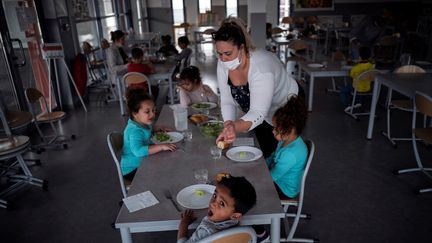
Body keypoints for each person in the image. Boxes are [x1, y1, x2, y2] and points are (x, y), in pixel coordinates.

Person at [213, 17, 299, 158]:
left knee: (277, 154)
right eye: (219, 53)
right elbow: (227, 99)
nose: (223, 59)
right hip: (260, 112)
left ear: (241, 47)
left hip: (286, 105)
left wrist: (234, 127)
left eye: (228, 53)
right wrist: (228, 124)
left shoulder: (261, 68)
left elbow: (258, 113)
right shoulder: (224, 61)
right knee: (258, 147)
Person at [177, 174, 257, 243]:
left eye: (222, 203)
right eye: (214, 196)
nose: (212, 203)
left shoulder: (205, 232)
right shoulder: (241, 232)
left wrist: (183, 224)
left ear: (235, 216)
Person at [120, 89, 176, 181]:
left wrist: (156, 128)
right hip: (133, 169)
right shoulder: (134, 131)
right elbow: (138, 151)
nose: (152, 114)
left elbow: (146, 131)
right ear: (135, 113)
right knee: (166, 171)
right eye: (147, 112)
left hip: (143, 161)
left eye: (154, 110)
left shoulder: (143, 122)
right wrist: (161, 147)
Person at [266, 96, 308, 199]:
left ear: (290, 130)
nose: (273, 131)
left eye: (276, 128)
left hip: (284, 189)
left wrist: (258, 177)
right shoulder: (285, 140)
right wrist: (261, 165)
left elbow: (273, 176)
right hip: (279, 180)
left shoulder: (290, 154)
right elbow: (272, 158)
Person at [340, 46, 374, 110]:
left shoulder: (356, 68)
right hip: (368, 89)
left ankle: (347, 105)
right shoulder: (371, 66)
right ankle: (358, 102)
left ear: (359, 57)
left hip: (357, 89)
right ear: (369, 57)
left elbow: (351, 75)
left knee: (343, 90)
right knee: (361, 85)